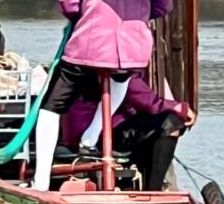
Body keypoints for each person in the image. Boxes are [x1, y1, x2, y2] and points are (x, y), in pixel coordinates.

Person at [32, 0, 172, 191]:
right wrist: (135, 16)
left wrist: (86, 14)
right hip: (132, 47)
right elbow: (163, 5)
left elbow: (68, 2)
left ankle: (41, 182)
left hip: (90, 41)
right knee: (120, 79)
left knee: (51, 107)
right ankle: (91, 136)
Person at [62, 74, 196, 191]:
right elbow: (139, 95)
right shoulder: (120, 59)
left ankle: (136, 185)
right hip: (96, 130)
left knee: (152, 125)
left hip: (84, 128)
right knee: (172, 122)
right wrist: (179, 108)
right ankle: (153, 190)